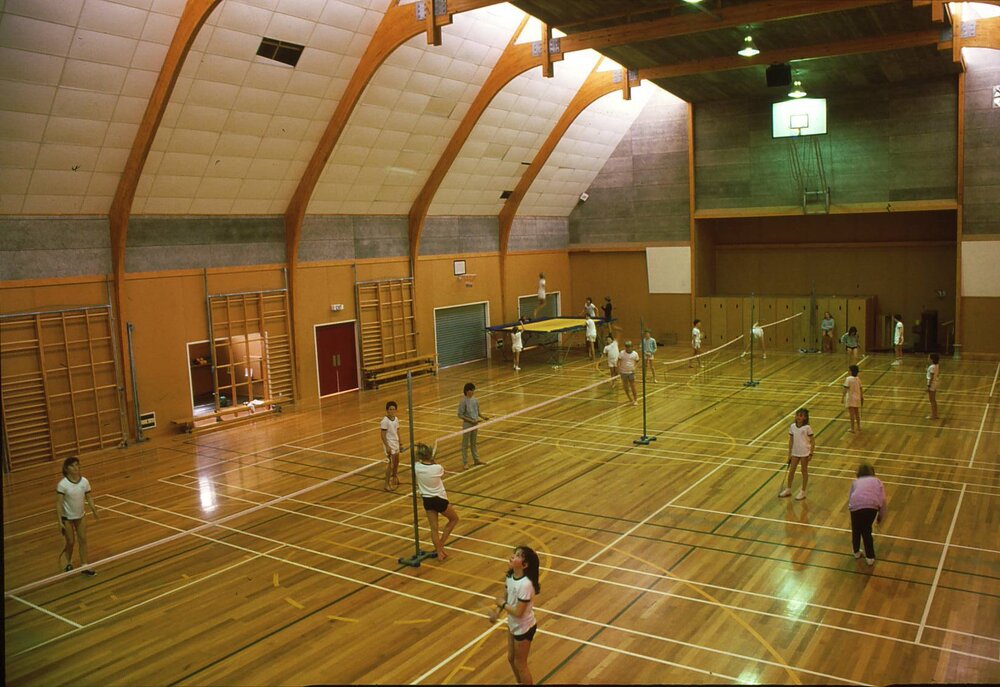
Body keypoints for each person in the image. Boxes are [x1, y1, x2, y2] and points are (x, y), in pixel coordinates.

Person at [488, 546, 541, 685]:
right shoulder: (510, 576)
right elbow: (506, 595)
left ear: (525, 565)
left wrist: (502, 604)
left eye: (517, 556)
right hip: (513, 624)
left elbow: (518, 612)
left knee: (521, 664)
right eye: (514, 554)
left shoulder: (525, 586)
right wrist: (497, 612)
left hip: (524, 628)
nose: (512, 557)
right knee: (511, 659)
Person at [413, 443, 459, 561]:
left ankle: (439, 552)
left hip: (427, 500)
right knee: (454, 519)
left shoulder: (417, 467)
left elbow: (418, 460)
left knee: (434, 528)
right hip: (439, 499)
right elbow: (440, 470)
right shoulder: (437, 468)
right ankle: (441, 544)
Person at [56, 456, 99, 576]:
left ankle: (84, 565)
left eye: (77, 465)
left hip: (81, 516)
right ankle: (68, 562)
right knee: (70, 541)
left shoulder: (84, 481)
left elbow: (88, 496)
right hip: (67, 518)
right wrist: (59, 521)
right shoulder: (62, 485)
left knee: (83, 540)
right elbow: (59, 504)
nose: (76, 468)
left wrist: (93, 509)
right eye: (72, 466)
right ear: (66, 468)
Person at [848, 464, 886, 566]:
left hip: (855, 507)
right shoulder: (878, 481)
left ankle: (856, 552)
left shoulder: (855, 482)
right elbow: (883, 500)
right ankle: (870, 557)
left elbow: (851, 496)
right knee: (866, 531)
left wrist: (852, 508)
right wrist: (880, 517)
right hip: (871, 507)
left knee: (856, 530)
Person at [780, 408, 813, 501]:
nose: (798, 417)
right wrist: (789, 453)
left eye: (801, 415)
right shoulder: (792, 427)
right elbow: (791, 441)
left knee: (804, 471)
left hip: (804, 452)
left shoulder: (807, 428)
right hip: (795, 452)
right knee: (792, 470)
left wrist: (811, 453)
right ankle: (788, 489)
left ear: (805, 418)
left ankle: (803, 491)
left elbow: (812, 441)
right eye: (797, 415)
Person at [457, 383, 488, 469]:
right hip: (467, 425)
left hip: (475, 424)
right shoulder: (463, 401)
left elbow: (478, 412)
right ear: (467, 391)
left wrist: (483, 417)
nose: (473, 392)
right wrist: (471, 421)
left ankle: (476, 459)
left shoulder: (475, 400)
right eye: (471, 390)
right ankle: (465, 462)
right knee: (465, 444)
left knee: (473, 443)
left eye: (473, 390)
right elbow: (460, 415)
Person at [381, 401, 401, 491]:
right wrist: (387, 446)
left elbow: (398, 431)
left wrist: (400, 443)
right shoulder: (385, 421)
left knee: (396, 461)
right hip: (389, 444)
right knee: (390, 464)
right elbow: (383, 435)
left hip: (395, 443)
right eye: (390, 409)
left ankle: (394, 477)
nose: (392, 411)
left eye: (393, 409)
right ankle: (386, 484)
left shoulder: (396, 419)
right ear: (387, 410)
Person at [842, 365, 863, 433]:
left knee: (851, 414)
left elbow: (845, 388)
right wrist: (862, 397)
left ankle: (852, 428)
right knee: (857, 413)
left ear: (851, 371)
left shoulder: (848, 379)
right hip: (857, 397)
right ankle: (859, 426)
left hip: (851, 398)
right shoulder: (858, 379)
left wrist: (842, 397)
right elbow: (861, 388)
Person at [618, 340, 639, 406]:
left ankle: (635, 399)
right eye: (626, 347)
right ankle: (630, 398)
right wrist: (618, 369)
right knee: (626, 387)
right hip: (623, 372)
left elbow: (637, 361)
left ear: (632, 347)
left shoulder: (635, 354)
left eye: (629, 347)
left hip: (631, 373)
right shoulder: (621, 353)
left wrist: (635, 368)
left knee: (633, 386)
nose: (628, 348)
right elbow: (618, 361)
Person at [926, 352, 940, 420]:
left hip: (932, 384)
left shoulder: (932, 367)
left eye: (929, 357)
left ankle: (933, 415)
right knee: (934, 400)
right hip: (935, 382)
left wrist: (928, 386)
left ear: (932, 359)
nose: (928, 358)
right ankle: (935, 414)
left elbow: (931, 377)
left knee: (932, 400)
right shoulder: (936, 365)